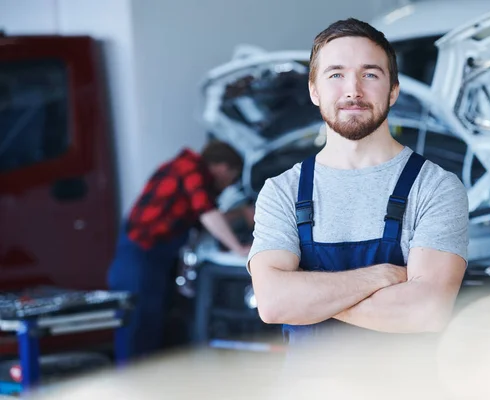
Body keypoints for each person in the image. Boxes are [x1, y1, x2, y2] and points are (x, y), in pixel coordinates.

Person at [246, 18, 469, 386]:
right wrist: (380, 277)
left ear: (393, 90)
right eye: (335, 75)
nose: (353, 90)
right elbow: (273, 303)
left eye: (370, 74)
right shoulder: (282, 190)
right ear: (314, 90)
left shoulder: (435, 187)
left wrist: (309, 296)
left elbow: (425, 311)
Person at [107, 140, 251, 360]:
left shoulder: (183, 171)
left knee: (151, 327)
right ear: (223, 168)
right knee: (136, 328)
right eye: (232, 177)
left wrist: (242, 214)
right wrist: (239, 248)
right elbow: (208, 214)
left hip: (150, 259)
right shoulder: (189, 168)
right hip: (139, 259)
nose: (228, 185)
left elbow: (205, 220)